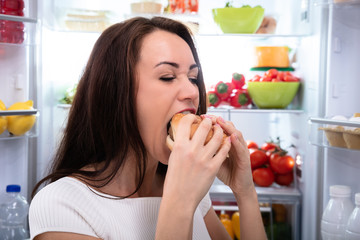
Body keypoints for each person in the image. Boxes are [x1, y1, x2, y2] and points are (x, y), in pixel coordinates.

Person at [29, 16, 267, 240]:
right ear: (116, 93)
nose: (193, 92)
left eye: (193, 78)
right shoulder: (62, 205)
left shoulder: (194, 191)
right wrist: (180, 201)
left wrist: (245, 192)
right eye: (167, 76)